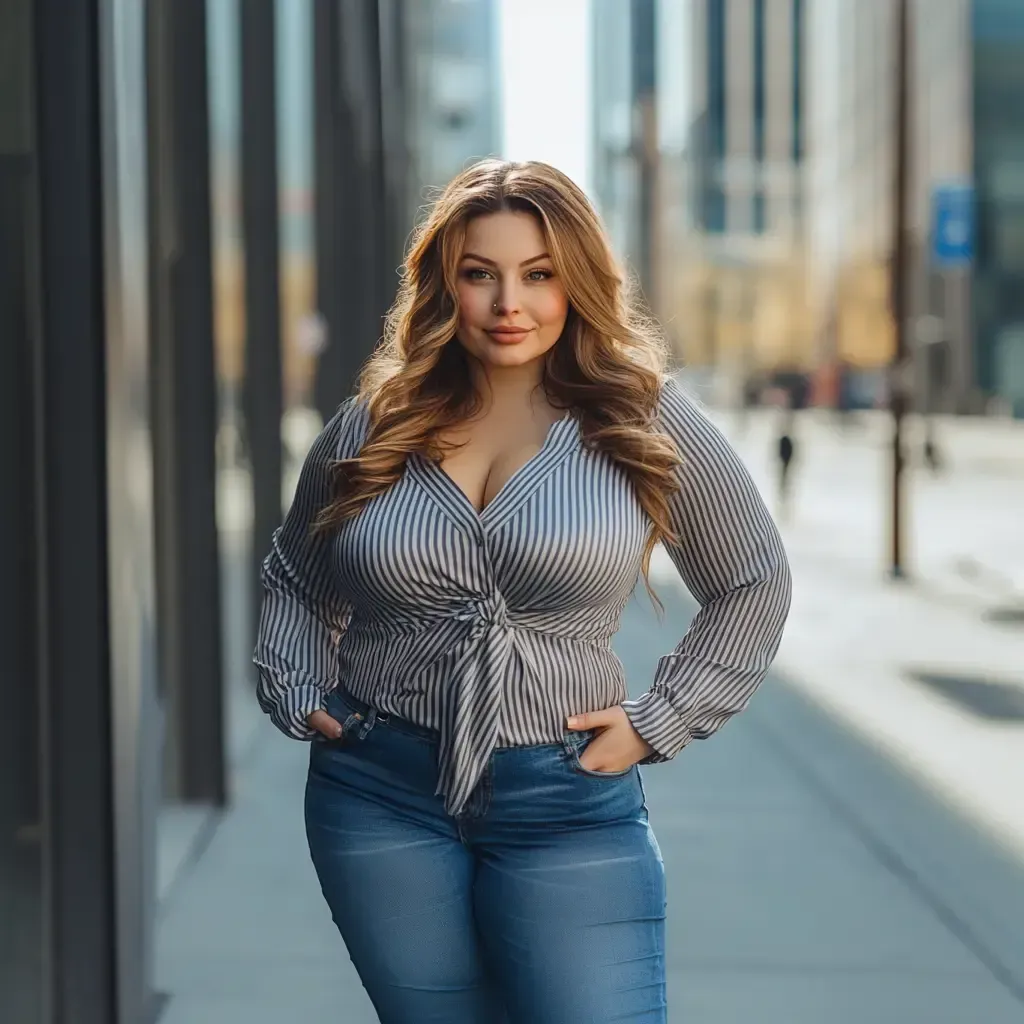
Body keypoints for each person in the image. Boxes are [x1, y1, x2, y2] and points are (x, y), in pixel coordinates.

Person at [253, 159, 792, 1023]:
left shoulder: (639, 416)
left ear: (576, 280)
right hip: (379, 791)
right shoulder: (373, 424)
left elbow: (752, 580)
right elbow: (295, 574)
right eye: (481, 273)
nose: (511, 302)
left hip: (568, 795)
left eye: (539, 274)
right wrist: (297, 683)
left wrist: (662, 719)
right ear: (444, 285)